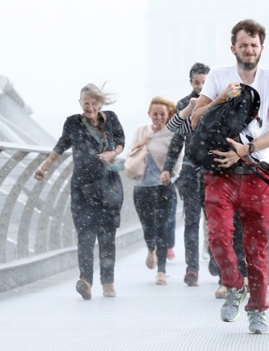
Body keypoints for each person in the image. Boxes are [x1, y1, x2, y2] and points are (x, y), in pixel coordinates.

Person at [189, 19, 269, 334]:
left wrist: (247, 149)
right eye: (244, 45)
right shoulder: (219, 76)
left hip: (256, 173)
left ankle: (257, 309)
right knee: (218, 237)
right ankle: (234, 285)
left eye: (255, 45)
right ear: (233, 48)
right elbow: (194, 120)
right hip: (220, 171)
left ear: (262, 48)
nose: (249, 50)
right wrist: (220, 99)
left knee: (256, 246)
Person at [33, 83, 125, 300]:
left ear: (100, 103)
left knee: (107, 236)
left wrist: (112, 153)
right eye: (86, 104)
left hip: (109, 185)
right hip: (82, 189)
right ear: (80, 103)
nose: (90, 108)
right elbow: (60, 147)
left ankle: (108, 282)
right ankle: (85, 280)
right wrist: (43, 168)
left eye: (94, 103)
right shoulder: (73, 122)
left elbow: (121, 141)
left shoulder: (111, 118)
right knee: (85, 235)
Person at [165, 62, 210, 287]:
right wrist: (167, 167)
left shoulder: (219, 102)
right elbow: (176, 139)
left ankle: (215, 259)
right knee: (192, 221)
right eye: (196, 82)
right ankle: (192, 268)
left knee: (215, 221)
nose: (201, 87)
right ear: (191, 82)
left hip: (214, 169)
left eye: (205, 82)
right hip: (191, 170)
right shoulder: (185, 103)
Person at [131, 96, 182, 286]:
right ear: (149, 114)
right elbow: (130, 154)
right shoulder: (141, 130)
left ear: (168, 115)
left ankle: (161, 271)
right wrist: (142, 143)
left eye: (162, 114)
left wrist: (170, 174)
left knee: (162, 228)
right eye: (155, 114)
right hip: (142, 187)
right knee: (147, 226)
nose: (158, 117)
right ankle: (150, 247)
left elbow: (178, 158)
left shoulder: (172, 134)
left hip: (163, 187)